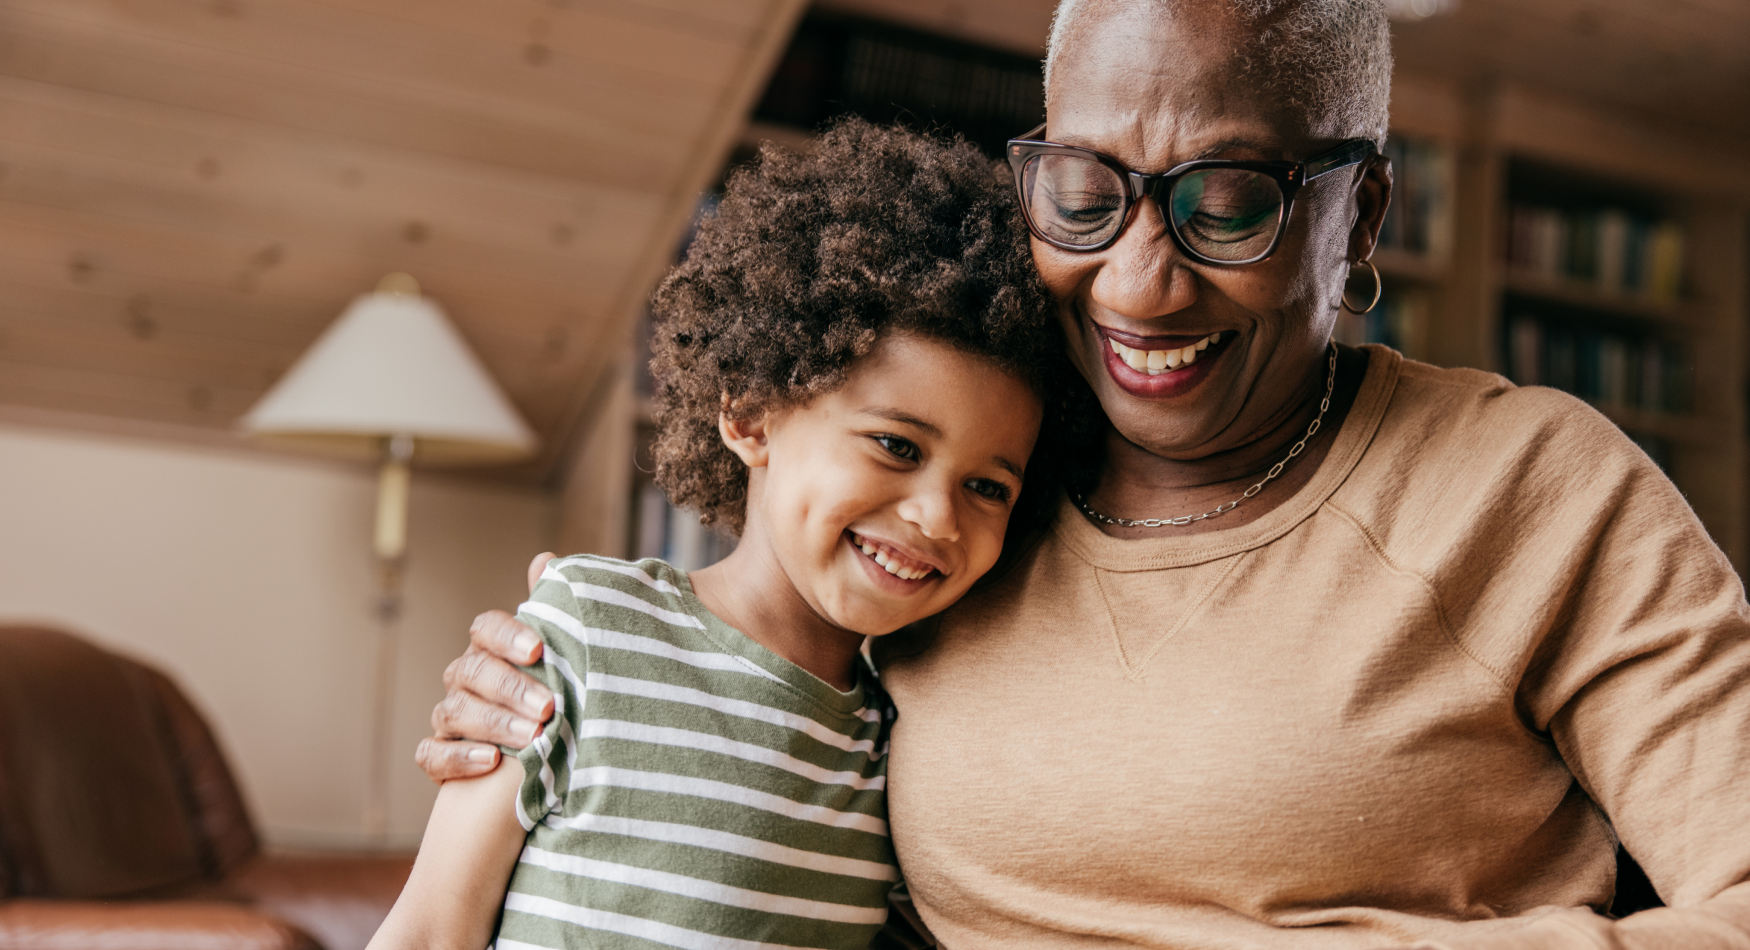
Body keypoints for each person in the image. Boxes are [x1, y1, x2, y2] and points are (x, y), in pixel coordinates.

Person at [418, 1, 1750, 948]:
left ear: (1362, 213)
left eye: (1228, 199)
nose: (1137, 281)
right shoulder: (981, 494)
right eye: (1082, 191)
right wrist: (566, 668)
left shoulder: (1532, 486)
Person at [367, 120, 1061, 950]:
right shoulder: (588, 629)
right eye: (896, 446)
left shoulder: (895, 749)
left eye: (988, 486)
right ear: (750, 412)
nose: (939, 516)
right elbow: (431, 929)